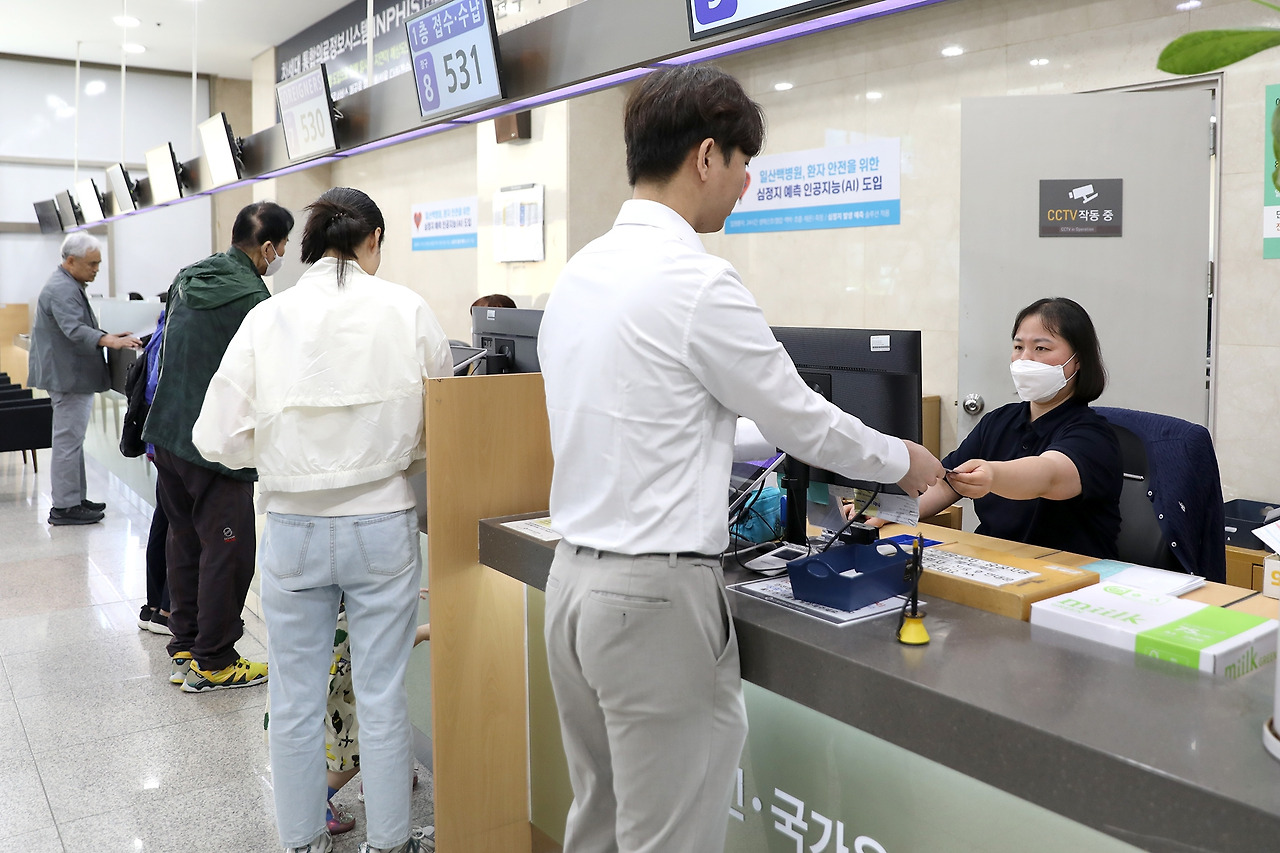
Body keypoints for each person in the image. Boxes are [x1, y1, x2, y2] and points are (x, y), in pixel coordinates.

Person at [536, 65, 943, 853]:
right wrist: (901, 457)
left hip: (574, 583)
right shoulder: (696, 282)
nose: (747, 182)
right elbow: (801, 420)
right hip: (652, 599)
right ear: (705, 156)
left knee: (600, 820)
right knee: (669, 837)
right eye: (743, 163)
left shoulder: (580, 274)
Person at [192, 187, 451, 853]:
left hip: (294, 526)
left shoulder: (267, 317)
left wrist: (283, 456)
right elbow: (444, 422)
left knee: (295, 696)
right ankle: (390, 842)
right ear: (373, 240)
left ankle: (304, 840)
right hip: (383, 521)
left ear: (306, 247)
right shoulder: (407, 309)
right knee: (382, 694)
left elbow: (215, 436)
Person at [143, 200, 295, 692]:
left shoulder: (189, 277)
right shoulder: (253, 298)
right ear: (267, 247)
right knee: (228, 550)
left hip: (166, 434)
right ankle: (216, 660)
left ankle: (186, 647)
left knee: (184, 541)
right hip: (213, 445)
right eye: (282, 246)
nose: (282, 255)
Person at [857, 297, 1122, 559]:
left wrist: (992, 475)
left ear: (1078, 360)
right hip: (995, 561)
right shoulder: (998, 421)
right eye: (1018, 347)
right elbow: (947, 484)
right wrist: (889, 510)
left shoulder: (1094, 435)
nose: (1025, 359)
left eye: (1041, 348)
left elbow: (1049, 475)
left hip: (1069, 572)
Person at [27, 233, 142, 525]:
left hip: (70, 376)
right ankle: (65, 507)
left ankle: (74, 499)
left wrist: (106, 335)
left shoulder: (68, 284)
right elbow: (73, 329)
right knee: (68, 442)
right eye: (92, 264)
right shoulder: (62, 289)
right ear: (70, 261)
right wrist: (108, 341)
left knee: (72, 441)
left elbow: (78, 326)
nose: (96, 270)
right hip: (68, 378)